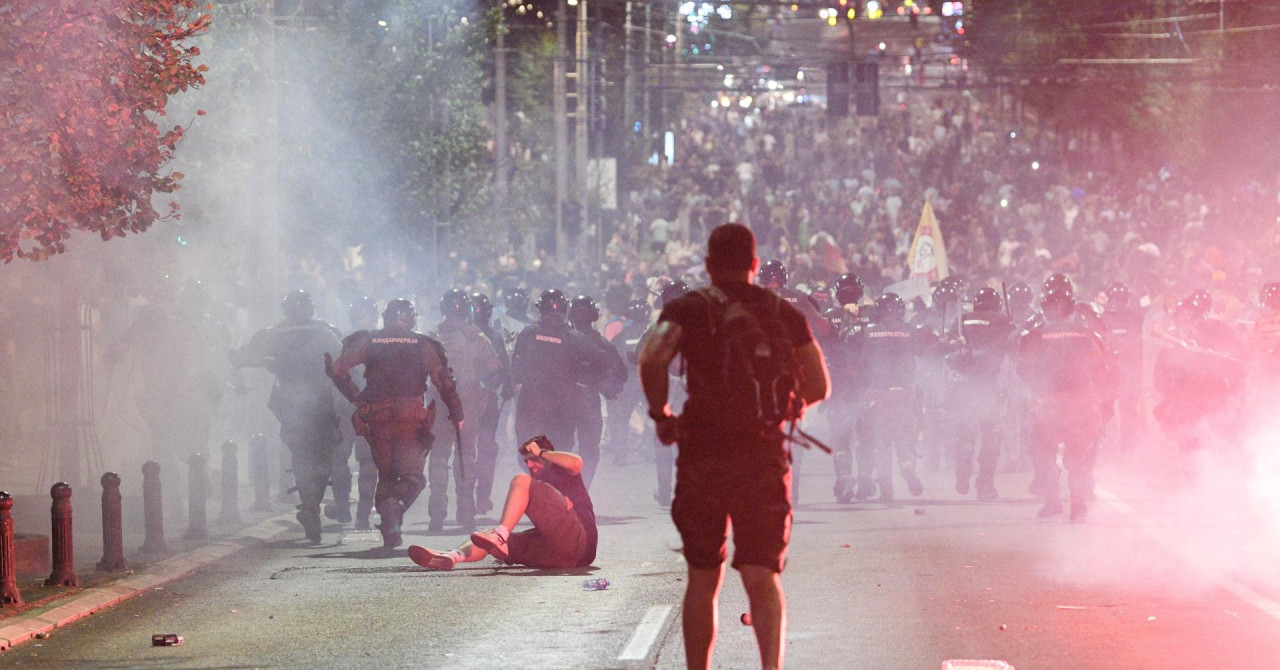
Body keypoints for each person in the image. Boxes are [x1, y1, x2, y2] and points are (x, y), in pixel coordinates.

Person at [638, 223, 830, 670]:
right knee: (762, 575)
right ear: (755, 265)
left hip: (703, 452)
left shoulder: (686, 309)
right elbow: (819, 383)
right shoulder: (783, 313)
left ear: (708, 265)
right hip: (763, 455)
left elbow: (651, 357)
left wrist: (661, 414)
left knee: (704, 576)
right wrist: (784, 407)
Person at [326, 298, 464, 550]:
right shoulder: (424, 343)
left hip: (376, 415)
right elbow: (443, 381)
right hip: (410, 415)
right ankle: (395, 506)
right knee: (413, 476)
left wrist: (355, 397)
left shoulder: (368, 340)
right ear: (411, 318)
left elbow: (337, 370)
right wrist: (457, 411)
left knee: (386, 474)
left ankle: (391, 529)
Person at [229, 289, 343, 543]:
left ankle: (309, 507)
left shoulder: (274, 333)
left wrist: (244, 361)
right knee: (322, 456)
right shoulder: (324, 330)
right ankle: (311, 507)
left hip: (290, 403)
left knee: (302, 455)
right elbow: (344, 358)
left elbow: (246, 357)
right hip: (320, 401)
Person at [407, 435, 597, 570]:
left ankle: (501, 534)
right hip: (559, 555)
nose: (529, 465)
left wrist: (543, 452)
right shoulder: (540, 487)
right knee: (486, 539)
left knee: (521, 481)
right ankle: (451, 556)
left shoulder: (563, 471)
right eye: (526, 461)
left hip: (581, 542)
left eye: (532, 459)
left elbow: (577, 463)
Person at [1017, 287, 1112, 522]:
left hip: (1048, 403)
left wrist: (1035, 391)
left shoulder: (1036, 334)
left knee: (1043, 452)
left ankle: (1052, 501)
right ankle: (1078, 506)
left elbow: (1023, 368)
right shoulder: (1087, 333)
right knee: (1078, 455)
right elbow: (1103, 366)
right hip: (1081, 402)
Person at [848, 292, 935, 502]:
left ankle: (885, 488)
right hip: (903, 393)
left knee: (878, 442)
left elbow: (852, 357)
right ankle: (906, 466)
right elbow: (925, 353)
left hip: (875, 395)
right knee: (904, 435)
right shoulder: (911, 331)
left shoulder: (865, 332)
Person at [427, 290, 502, 531]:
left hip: (438, 403)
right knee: (466, 456)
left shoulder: (432, 336)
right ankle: (466, 511)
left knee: (438, 455)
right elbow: (495, 369)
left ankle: (437, 512)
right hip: (468, 402)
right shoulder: (476, 336)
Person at [942, 287, 1014, 500]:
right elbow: (1014, 347)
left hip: (962, 387)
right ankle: (985, 486)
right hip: (988, 387)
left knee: (964, 434)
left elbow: (948, 347)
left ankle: (962, 473)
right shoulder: (1002, 321)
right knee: (991, 438)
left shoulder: (962, 319)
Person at [510, 289, 599, 458]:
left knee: (528, 452)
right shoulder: (576, 338)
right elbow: (598, 364)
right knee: (560, 451)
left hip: (531, 404)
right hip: (563, 406)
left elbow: (517, 371)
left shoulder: (527, 334)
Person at [328, 296, 380, 528]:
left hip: (348, 409)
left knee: (341, 460)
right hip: (366, 411)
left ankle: (344, 509)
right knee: (366, 462)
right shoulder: (381, 340)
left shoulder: (341, 339)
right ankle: (361, 515)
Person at [567, 295, 627, 487]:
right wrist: (609, 389)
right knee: (589, 448)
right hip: (586, 399)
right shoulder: (599, 342)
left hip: (561, 401)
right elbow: (619, 371)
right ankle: (579, 491)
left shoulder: (562, 337)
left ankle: (566, 491)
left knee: (561, 446)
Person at [471, 292, 513, 516]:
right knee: (486, 447)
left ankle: (468, 497)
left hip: (464, 401)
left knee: (467, 449)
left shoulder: (457, 335)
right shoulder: (493, 337)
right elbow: (504, 369)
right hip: (487, 400)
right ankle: (482, 496)